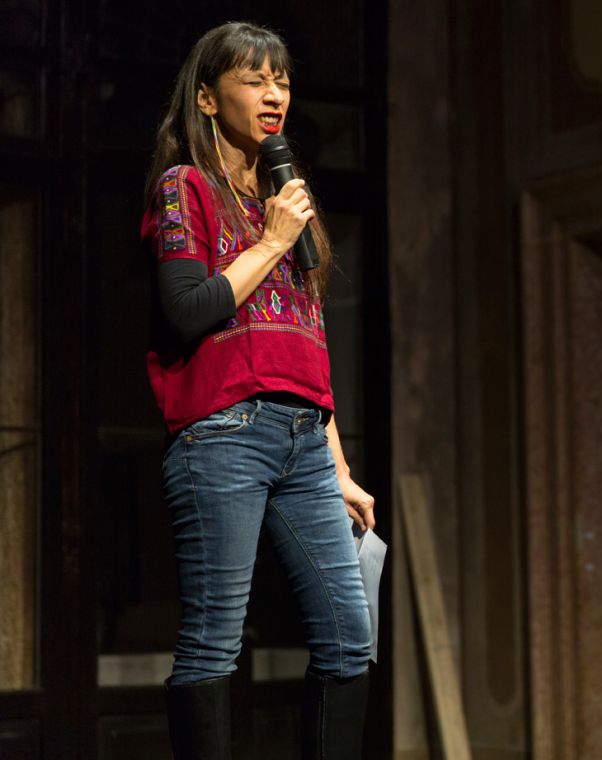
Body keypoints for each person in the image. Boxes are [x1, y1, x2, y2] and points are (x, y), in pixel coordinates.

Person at [141, 22, 375, 759]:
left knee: (350, 635)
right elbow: (186, 310)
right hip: (224, 435)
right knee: (215, 639)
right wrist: (269, 242)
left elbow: (308, 345)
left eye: (282, 80)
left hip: (306, 439)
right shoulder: (186, 188)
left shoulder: (285, 200)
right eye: (254, 79)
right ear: (208, 99)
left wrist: (337, 465)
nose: (274, 94)